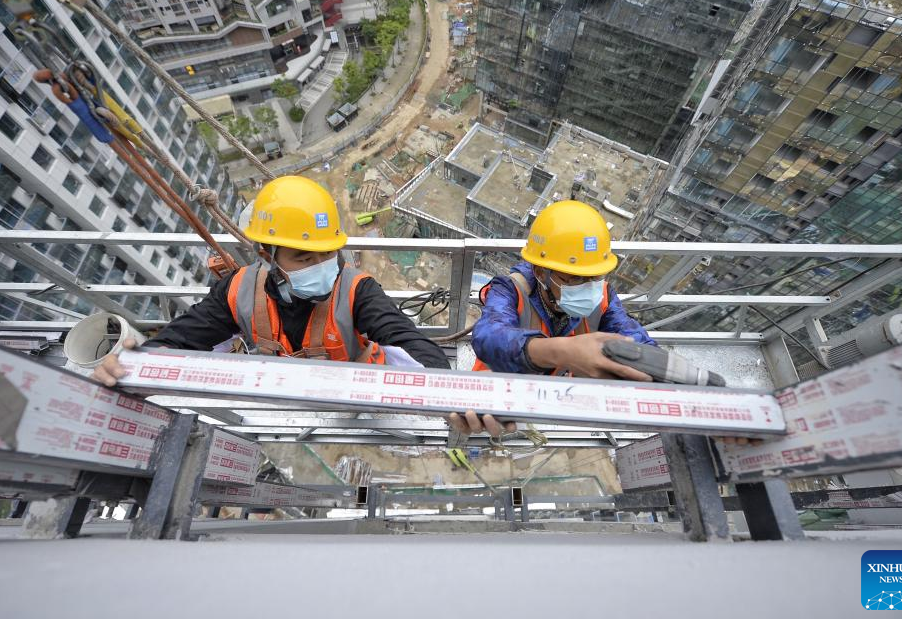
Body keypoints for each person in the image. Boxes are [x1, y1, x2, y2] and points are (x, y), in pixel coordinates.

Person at [92, 175, 449, 385]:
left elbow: (421, 351)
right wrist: (135, 366)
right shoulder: (239, 292)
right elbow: (181, 340)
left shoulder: (357, 290)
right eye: (303, 257)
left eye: (327, 254)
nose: (322, 265)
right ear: (267, 255)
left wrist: (445, 392)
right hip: (283, 397)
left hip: (353, 397)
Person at [451, 200, 654, 438]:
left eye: (594, 276)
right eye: (574, 279)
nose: (588, 287)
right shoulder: (510, 290)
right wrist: (560, 350)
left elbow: (635, 340)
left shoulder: (604, 297)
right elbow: (489, 337)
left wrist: (657, 369)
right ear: (540, 273)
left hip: (554, 396)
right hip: (496, 394)